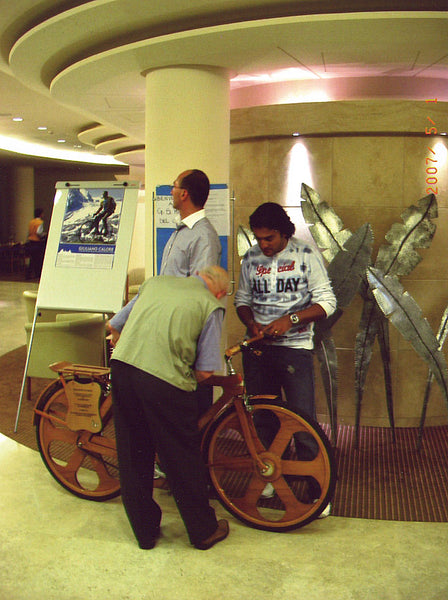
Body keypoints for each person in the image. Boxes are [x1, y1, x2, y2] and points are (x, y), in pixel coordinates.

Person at [109, 266, 230, 550]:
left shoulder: (154, 284)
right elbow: (205, 371)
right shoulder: (211, 306)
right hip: (163, 382)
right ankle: (203, 531)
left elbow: (114, 325)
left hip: (123, 369)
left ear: (198, 275)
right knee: (181, 455)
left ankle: (144, 532)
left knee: (133, 451)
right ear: (221, 292)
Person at [234, 202, 337, 507]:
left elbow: (327, 301)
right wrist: (251, 323)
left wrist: (290, 321)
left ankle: (316, 489)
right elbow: (242, 299)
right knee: (263, 419)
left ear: (283, 233)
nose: (262, 245)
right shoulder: (251, 258)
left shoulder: (306, 255)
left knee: (302, 422)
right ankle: (269, 479)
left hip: (295, 351)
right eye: (259, 239)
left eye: (269, 238)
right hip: (257, 351)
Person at [110, 169, 221, 414]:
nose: (170, 191)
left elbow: (199, 294)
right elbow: (159, 287)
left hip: (182, 339)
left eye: (173, 186)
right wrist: (121, 320)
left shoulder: (203, 236)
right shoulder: (180, 232)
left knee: (191, 419)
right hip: (167, 336)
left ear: (184, 193)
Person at [26, 208, 46, 279]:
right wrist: (44, 235)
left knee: (32, 259)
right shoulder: (40, 222)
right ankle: (38, 274)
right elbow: (38, 232)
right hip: (37, 242)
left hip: (31, 241)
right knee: (37, 259)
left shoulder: (31, 222)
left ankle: (28, 274)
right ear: (40, 214)